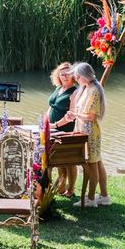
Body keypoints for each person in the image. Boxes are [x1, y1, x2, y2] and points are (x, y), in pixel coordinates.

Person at [65, 62, 111, 208]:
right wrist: (75, 114)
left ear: (85, 76)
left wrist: (75, 114)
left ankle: (90, 199)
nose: (76, 79)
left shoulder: (94, 91)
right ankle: (104, 196)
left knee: (92, 165)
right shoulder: (86, 88)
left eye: (78, 76)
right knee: (97, 162)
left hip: (90, 133)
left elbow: (91, 116)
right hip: (85, 131)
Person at [47, 62, 78, 198]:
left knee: (69, 160)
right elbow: (51, 106)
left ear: (73, 75)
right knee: (58, 159)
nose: (64, 76)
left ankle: (70, 189)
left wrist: (56, 125)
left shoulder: (75, 91)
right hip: (52, 128)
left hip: (66, 130)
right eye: (62, 73)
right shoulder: (59, 88)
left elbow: (71, 115)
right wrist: (46, 121)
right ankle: (61, 186)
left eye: (67, 73)